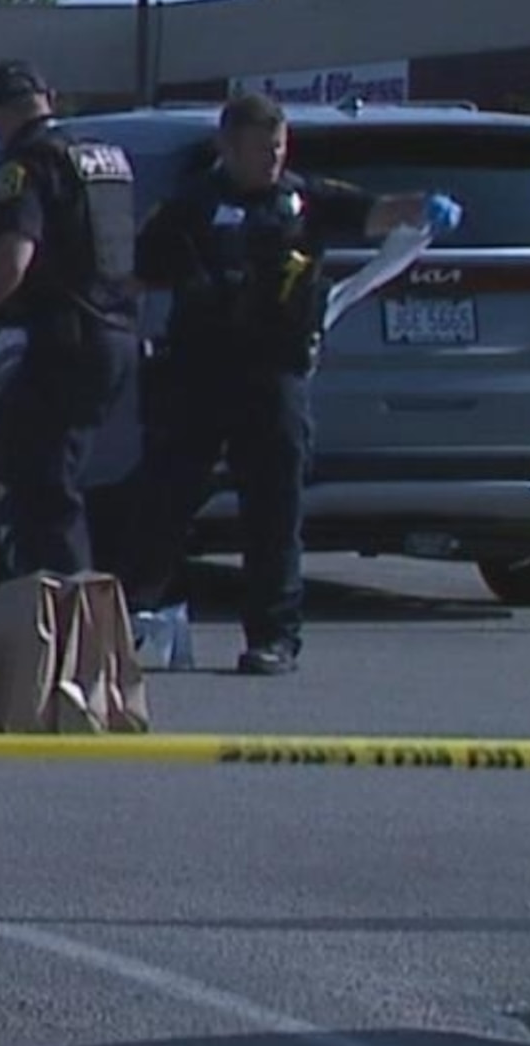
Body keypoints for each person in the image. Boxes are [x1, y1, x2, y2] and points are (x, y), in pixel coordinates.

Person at [124, 91, 456, 675]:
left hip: (275, 373)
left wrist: (422, 209)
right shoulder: (191, 205)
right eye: (258, 149)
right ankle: (137, 618)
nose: (270, 160)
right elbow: (138, 275)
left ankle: (273, 637)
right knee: (164, 503)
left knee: (275, 510)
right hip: (199, 372)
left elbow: (375, 212)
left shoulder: (303, 200)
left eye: (277, 148)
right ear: (227, 148)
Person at [0, 61, 143, 578]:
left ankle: (64, 620)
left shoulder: (25, 165)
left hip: (65, 341)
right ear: (50, 96)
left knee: (40, 481)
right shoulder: (103, 158)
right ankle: (72, 612)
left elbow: (12, 261)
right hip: (116, 334)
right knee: (62, 475)